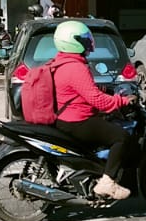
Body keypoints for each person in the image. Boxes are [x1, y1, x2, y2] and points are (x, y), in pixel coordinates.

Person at [46, 19, 134, 200]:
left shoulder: (61, 62)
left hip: (65, 119)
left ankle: (93, 173)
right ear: (73, 41)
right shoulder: (75, 67)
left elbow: (84, 91)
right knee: (121, 137)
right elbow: (98, 101)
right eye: (84, 39)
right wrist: (122, 101)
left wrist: (107, 91)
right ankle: (107, 183)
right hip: (77, 121)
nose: (89, 42)